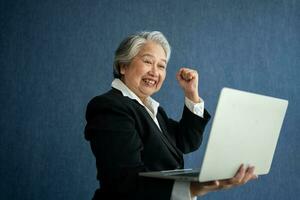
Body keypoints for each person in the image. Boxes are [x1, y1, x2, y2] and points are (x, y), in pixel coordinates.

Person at [84, 31, 257, 200]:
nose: (154, 72)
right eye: (147, 61)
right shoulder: (110, 107)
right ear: (123, 66)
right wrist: (194, 187)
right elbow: (125, 183)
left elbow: (186, 141)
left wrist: (191, 94)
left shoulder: (153, 109)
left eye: (161, 66)